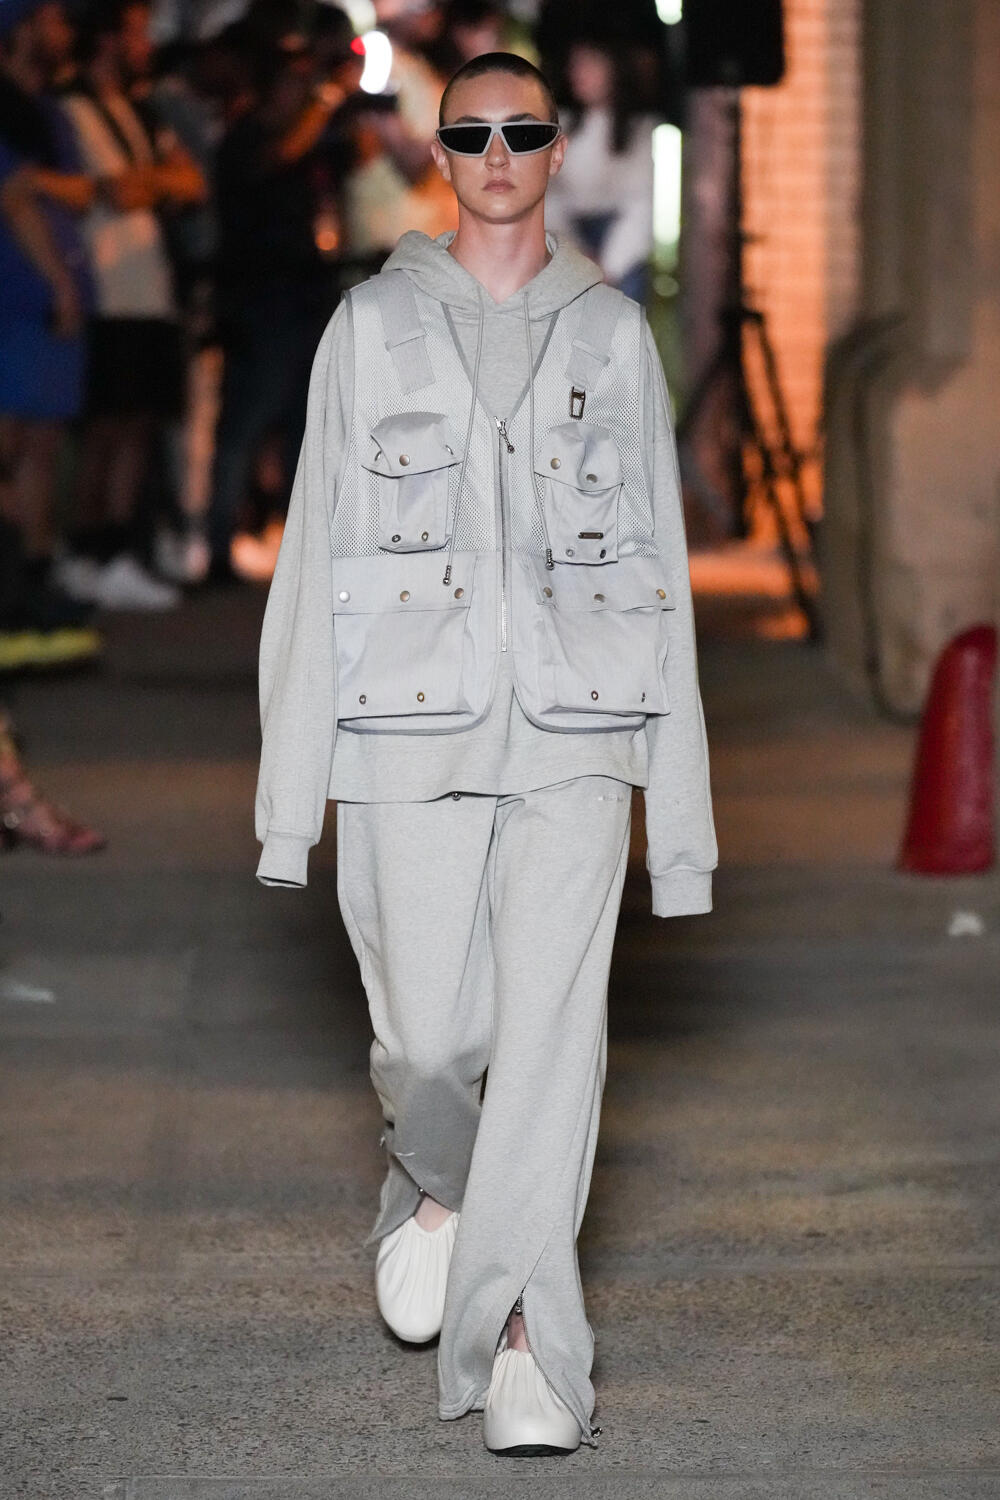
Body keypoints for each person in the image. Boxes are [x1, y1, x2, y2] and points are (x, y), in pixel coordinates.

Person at [254, 51, 716, 1456]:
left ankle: (530, 1349)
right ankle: (439, 1186)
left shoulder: (612, 336)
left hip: (577, 737)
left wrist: (678, 826)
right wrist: (289, 804)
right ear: (440, 154)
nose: (499, 152)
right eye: (473, 133)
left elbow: (662, 574)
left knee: (553, 1051)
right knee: (435, 1040)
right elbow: (312, 561)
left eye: (524, 129)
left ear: (558, 147)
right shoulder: (367, 329)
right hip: (406, 736)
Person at [56, 0, 205, 611]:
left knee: (140, 424)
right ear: (106, 38)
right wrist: (150, 184)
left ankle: (115, 550)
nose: (146, 44)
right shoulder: (70, 107)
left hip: (150, 287)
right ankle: (83, 552)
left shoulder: (139, 110)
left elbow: (190, 181)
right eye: (137, 32)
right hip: (105, 288)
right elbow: (112, 191)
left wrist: (147, 185)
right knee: (104, 429)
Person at [545, 37, 657, 304]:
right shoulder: (560, 126)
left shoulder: (638, 129)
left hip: (620, 254)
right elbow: (549, 197)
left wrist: (610, 266)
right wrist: (576, 254)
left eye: (590, 65)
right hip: (570, 245)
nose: (579, 74)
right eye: (575, 65)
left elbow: (640, 203)